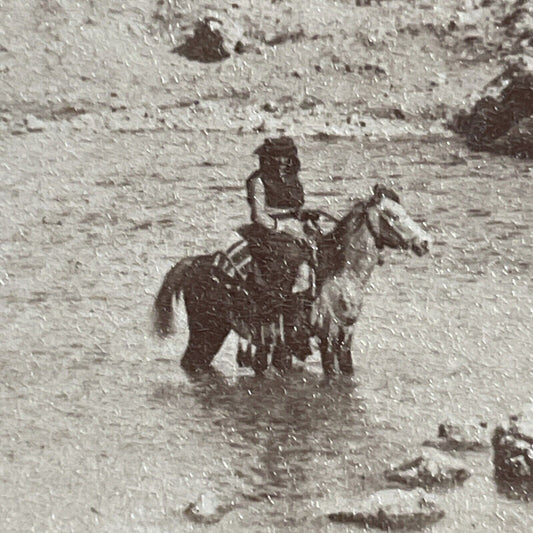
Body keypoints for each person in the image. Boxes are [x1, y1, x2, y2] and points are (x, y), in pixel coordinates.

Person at [239, 136, 318, 298]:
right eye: (277, 156)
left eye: (286, 156)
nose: (282, 161)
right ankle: (290, 297)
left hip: (296, 226)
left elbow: (293, 208)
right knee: (294, 255)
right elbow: (258, 215)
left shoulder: (292, 179)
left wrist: (304, 216)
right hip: (270, 231)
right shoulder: (258, 181)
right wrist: (283, 227)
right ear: (268, 158)